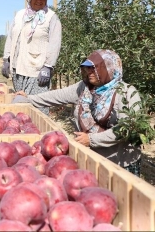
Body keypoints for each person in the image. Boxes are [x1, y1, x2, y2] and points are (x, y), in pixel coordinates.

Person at [12, 49, 142, 176]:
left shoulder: (126, 93)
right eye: (88, 68)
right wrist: (29, 98)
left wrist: (92, 139)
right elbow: (57, 96)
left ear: (109, 68)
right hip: (92, 159)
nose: (89, 72)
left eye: (94, 68)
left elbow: (126, 129)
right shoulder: (84, 88)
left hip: (120, 164)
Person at [2, 0, 62, 115]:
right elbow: (11, 37)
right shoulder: (20, 15)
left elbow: (55, 43)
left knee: (37, 108)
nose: (39, 1)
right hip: (19, 69)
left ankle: (40, 134)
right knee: (19, 105)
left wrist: (48, 66)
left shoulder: (51, 18)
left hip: (37, 71)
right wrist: (6, 58)